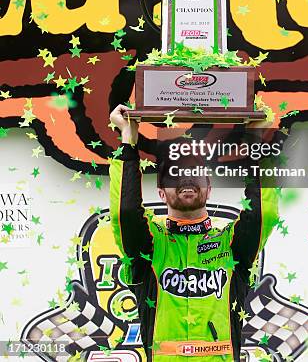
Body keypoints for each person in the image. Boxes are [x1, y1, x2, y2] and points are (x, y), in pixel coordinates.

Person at [109, 104, 279, 362]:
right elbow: (126, 213)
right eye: (175, 174)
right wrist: (128, 141)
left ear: (209, 190)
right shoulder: (150, 247)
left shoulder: (230, 245)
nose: (186, 180)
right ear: (161, 193)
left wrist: (254, 144)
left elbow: (262, 213)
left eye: (195, 173)